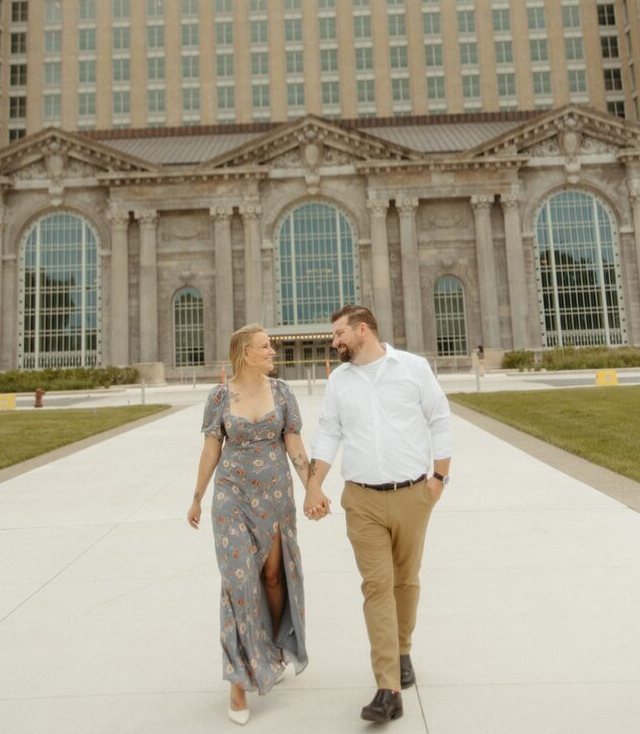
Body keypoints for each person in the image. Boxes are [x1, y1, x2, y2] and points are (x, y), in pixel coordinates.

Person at [304, 305, 451, 724]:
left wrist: (439, 478)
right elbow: (329, 431)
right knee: (376, 586)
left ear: (362, 330)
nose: (333, 342)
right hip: (361, 499)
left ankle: (403, 648)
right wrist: (316, 483)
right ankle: (388, 687)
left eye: (339, 334)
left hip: (412, 495)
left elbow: (439, 419)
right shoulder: (340, 381)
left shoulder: (412, 368)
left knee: (405, 581)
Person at [188, 324, 313, 725]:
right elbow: (211, 449)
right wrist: (196, 496)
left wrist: (312, 487)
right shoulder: (221, 397)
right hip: (231, 498)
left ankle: (275, 649)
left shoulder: (282, 392)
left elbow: (294, 444)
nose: (272, 352)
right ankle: (238, 681)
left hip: (276, 499)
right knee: (238, 582)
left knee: (274, 579)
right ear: (245, 352)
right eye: (265, 346)